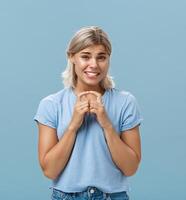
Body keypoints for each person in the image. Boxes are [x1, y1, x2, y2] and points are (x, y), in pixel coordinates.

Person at [34, 26, 143, 200]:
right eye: (85, 56)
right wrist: (73, 126)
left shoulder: (125, 102)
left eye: (101, 57)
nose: (94, 64)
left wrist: (106, 124)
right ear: (71, 57)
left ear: (108, 60)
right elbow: (49, 170)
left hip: (113, 196)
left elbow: (130, 168)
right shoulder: (51, 105)